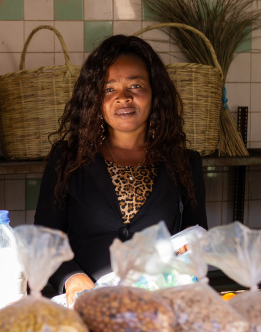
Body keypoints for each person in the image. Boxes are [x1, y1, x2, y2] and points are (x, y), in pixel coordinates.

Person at [34, 34, 208, 306]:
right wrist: (72, 277)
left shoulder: (184, 163)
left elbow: (195, 237)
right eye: (109, 88)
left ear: (154, 93)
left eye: (135, 85)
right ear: (94, 98)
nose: (123, 97)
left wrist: (191, 253)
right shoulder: (67, 159)